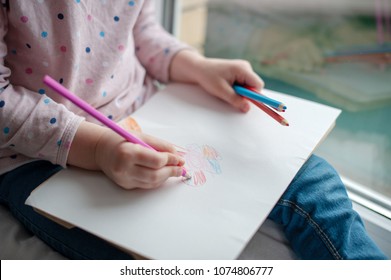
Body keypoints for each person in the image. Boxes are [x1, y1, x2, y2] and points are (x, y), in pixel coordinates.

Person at [0, 0, 387, 260]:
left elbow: (143, 33)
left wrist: (197, 66)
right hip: (36, 154)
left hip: (144, 113)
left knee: (314, 182)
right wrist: (99, 148)